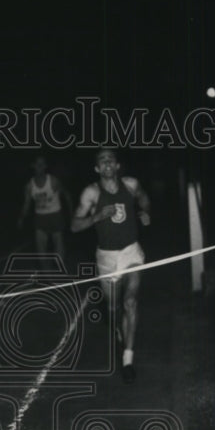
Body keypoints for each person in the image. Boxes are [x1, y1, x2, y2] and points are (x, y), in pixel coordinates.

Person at [71, 148, 150, 383]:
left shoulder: (131, 184)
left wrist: (146, 212)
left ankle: (128, 358)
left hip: (131, 251)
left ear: (117, 166)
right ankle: (117, 329)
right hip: (106, 257)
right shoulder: (91, 193)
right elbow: (74, 226)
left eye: (110, 160)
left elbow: (144, 199)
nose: (106, 163)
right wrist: (95, 217)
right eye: (101, 161)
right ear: (97, 168)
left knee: (131, 301)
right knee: (114, 309)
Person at [17, 154, 71, 266]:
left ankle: (60, 272)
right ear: (33, 166)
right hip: (40, 218)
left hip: (56, 216)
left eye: (42, 164)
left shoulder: (53, 181)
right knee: (41, 253)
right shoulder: (29, 186)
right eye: (37, 164)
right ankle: (48, 277)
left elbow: (66, 195)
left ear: (45, 166)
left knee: (59, 249)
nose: (39, 166)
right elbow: (26, 204)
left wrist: (72, 213)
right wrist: (21, 219)